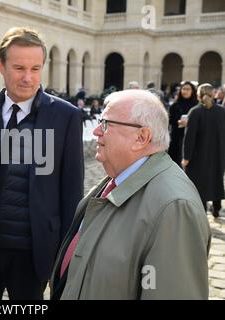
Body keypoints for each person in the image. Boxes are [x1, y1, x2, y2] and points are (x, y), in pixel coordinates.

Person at [0, 27, 84, 300]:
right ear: (0, 66)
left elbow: (72, 192)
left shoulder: (66, 116)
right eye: (19, 68)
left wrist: (62, 257)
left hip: (33, 254)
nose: (28, 78)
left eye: (35, 68)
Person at [51, 89, 211, 300]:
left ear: (141, 137)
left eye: (106, 124)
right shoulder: (117, 177)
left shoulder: (174, 207)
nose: (97, 131)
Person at [182, 83, 225, 218]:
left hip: (198, 156)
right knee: (216, 179)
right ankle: (217, 207)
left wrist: (186, 157)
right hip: (218, 153)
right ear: (213, 94)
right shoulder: (222, 111)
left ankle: (202, 211)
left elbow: (189, 137)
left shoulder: (195, 112)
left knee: (199, 184)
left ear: (198, 95)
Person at [167, 81, 197, 166]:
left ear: (192, 91)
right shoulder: (175, 105)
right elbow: (169, 119)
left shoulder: (196, 106)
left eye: (188, 89)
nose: (185, 91)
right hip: (177, 137)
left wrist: (190, 123)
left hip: (192, 138)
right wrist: (178, 121)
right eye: (183, 89)